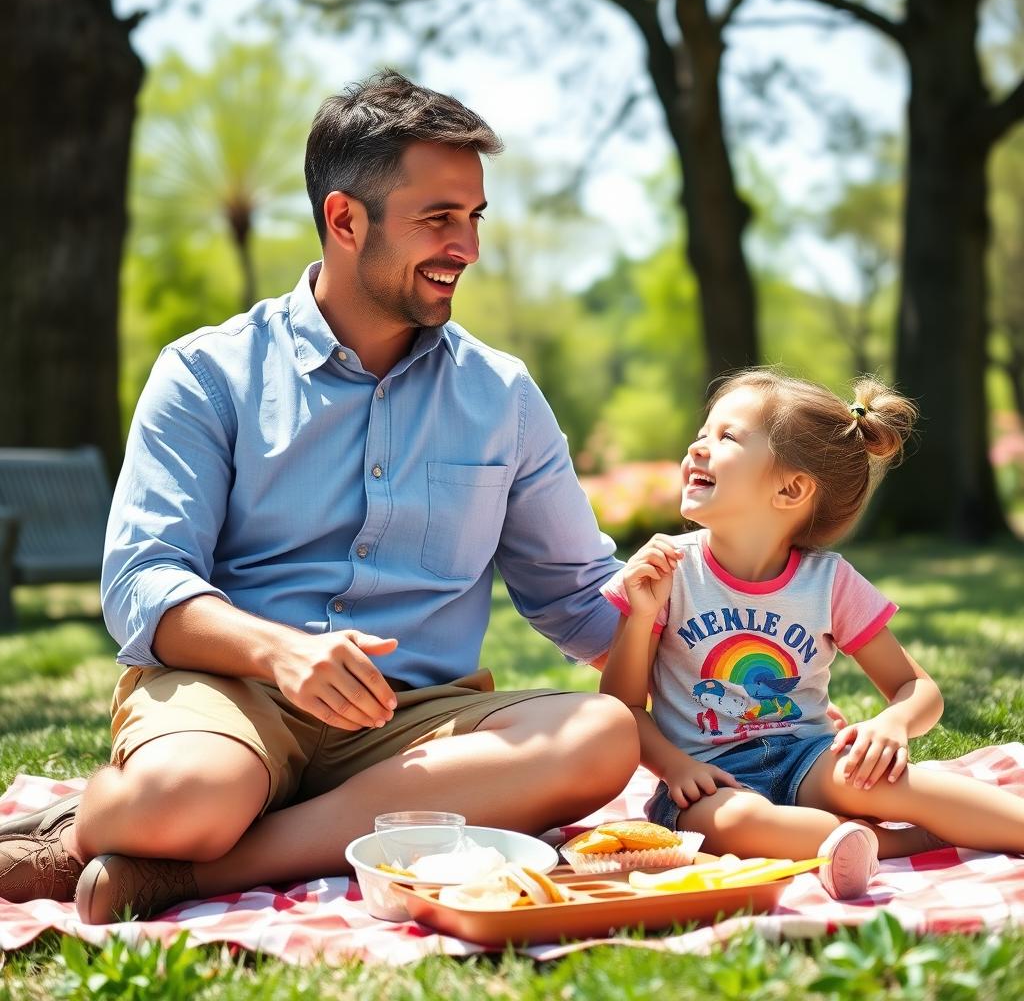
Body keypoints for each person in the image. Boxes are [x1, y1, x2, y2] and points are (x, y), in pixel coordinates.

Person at [0, 71, 641, 923]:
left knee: (599, 739)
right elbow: (144, 583)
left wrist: (724, 626)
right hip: (231, 690)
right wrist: (280, 654)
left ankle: (186, 873)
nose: (469, 249)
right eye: (438, 219)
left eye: (474, 218)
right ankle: (95, 828)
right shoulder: (207, 373)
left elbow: (575, 594)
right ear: (345, 219)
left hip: (419, 723)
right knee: (187, 795)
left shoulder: (503, 395)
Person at [599, 369, 1024, 900]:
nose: (697, 447)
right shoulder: (664, 571)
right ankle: (899, 842)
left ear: (791, 488)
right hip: (707, 780)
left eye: (726, 436)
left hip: (811, 762)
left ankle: (996, 824)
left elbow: (920, 691)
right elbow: (620, 709)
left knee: (883, 779)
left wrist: (892, 725)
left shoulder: (828, 582)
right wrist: (673, 762)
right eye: (703, 432)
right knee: (729, 823)